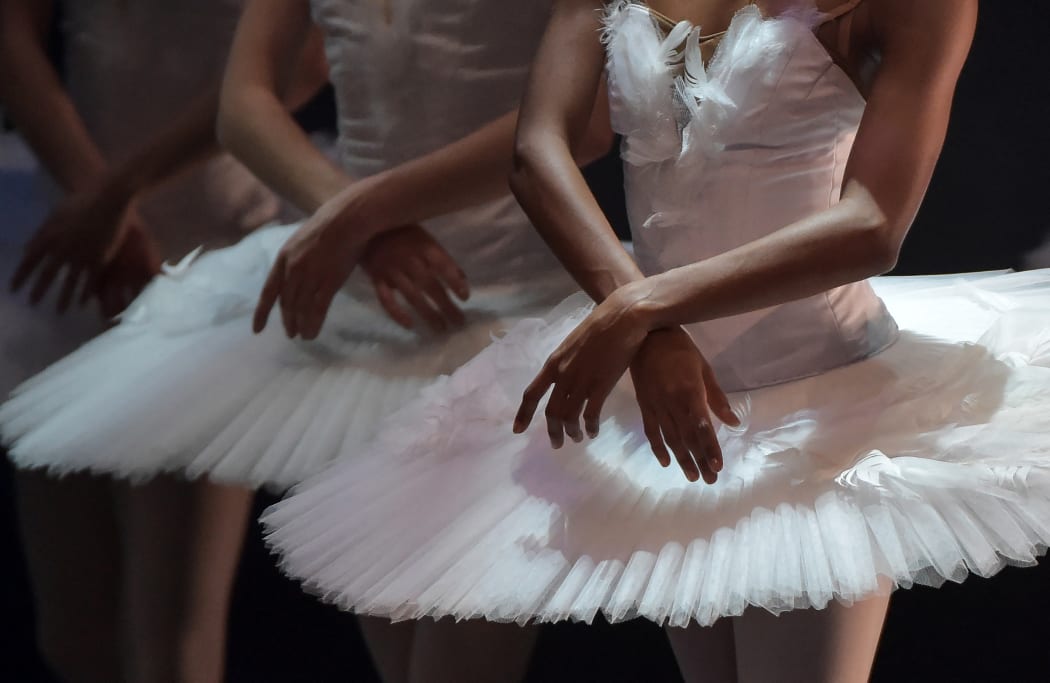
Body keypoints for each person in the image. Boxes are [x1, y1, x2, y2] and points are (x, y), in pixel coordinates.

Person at [263, 1, 1050, 681]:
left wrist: (642, 308)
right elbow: (538, 149)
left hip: (822, 401)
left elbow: (874, 223)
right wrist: (644, 326)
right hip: (668, 399)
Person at [1, 0, 614, 680]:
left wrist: (363, 211)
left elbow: (583, 118)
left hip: (512, 324)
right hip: (365, 326)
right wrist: (352, 218)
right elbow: (244, 102)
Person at [0, 0, 318, 679]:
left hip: (210, 253)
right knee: (76, 632)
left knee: (173, 638)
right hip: (75, 242)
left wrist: (119, 191)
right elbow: (11, 32)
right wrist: (94, 197)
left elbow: (303, 59)